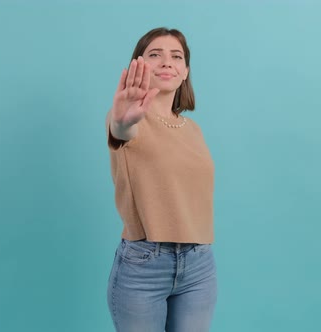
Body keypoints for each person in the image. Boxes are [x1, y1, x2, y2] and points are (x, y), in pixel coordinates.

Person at [105, 27, 217, 332]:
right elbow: (121, 130)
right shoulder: (130, 119)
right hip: (144, 265)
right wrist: (121, 120)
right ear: (139, 65)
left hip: (199, 264)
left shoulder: (193, 129)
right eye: (155, 54)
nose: (167, 62)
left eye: (176, 56)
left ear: (185, 72)